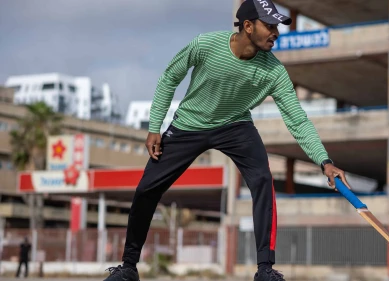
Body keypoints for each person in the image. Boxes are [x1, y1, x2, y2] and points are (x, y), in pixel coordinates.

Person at [103, 1, 351, 281]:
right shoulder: (205, 45)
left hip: (235, 125)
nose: (276, 33)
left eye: (277, 27)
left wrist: (324, 162)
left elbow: (297, 119)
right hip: (189, 124)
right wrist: (155, 127)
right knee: (147, 189)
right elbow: (169, 78)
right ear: (248, 26)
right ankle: (128, 267)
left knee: (262, 180)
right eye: (269, 26)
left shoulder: (275, 72)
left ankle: (265, 269)